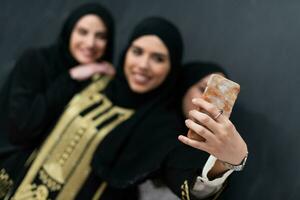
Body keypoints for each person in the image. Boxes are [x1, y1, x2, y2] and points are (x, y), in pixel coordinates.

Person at [0, 3, 115, 198]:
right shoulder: (35, 61)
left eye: (101, 36)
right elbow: (22, 127)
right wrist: (71, 77)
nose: (90, 43)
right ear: (69, 31)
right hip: (9, 170)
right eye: (83, 32)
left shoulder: (102, 84)